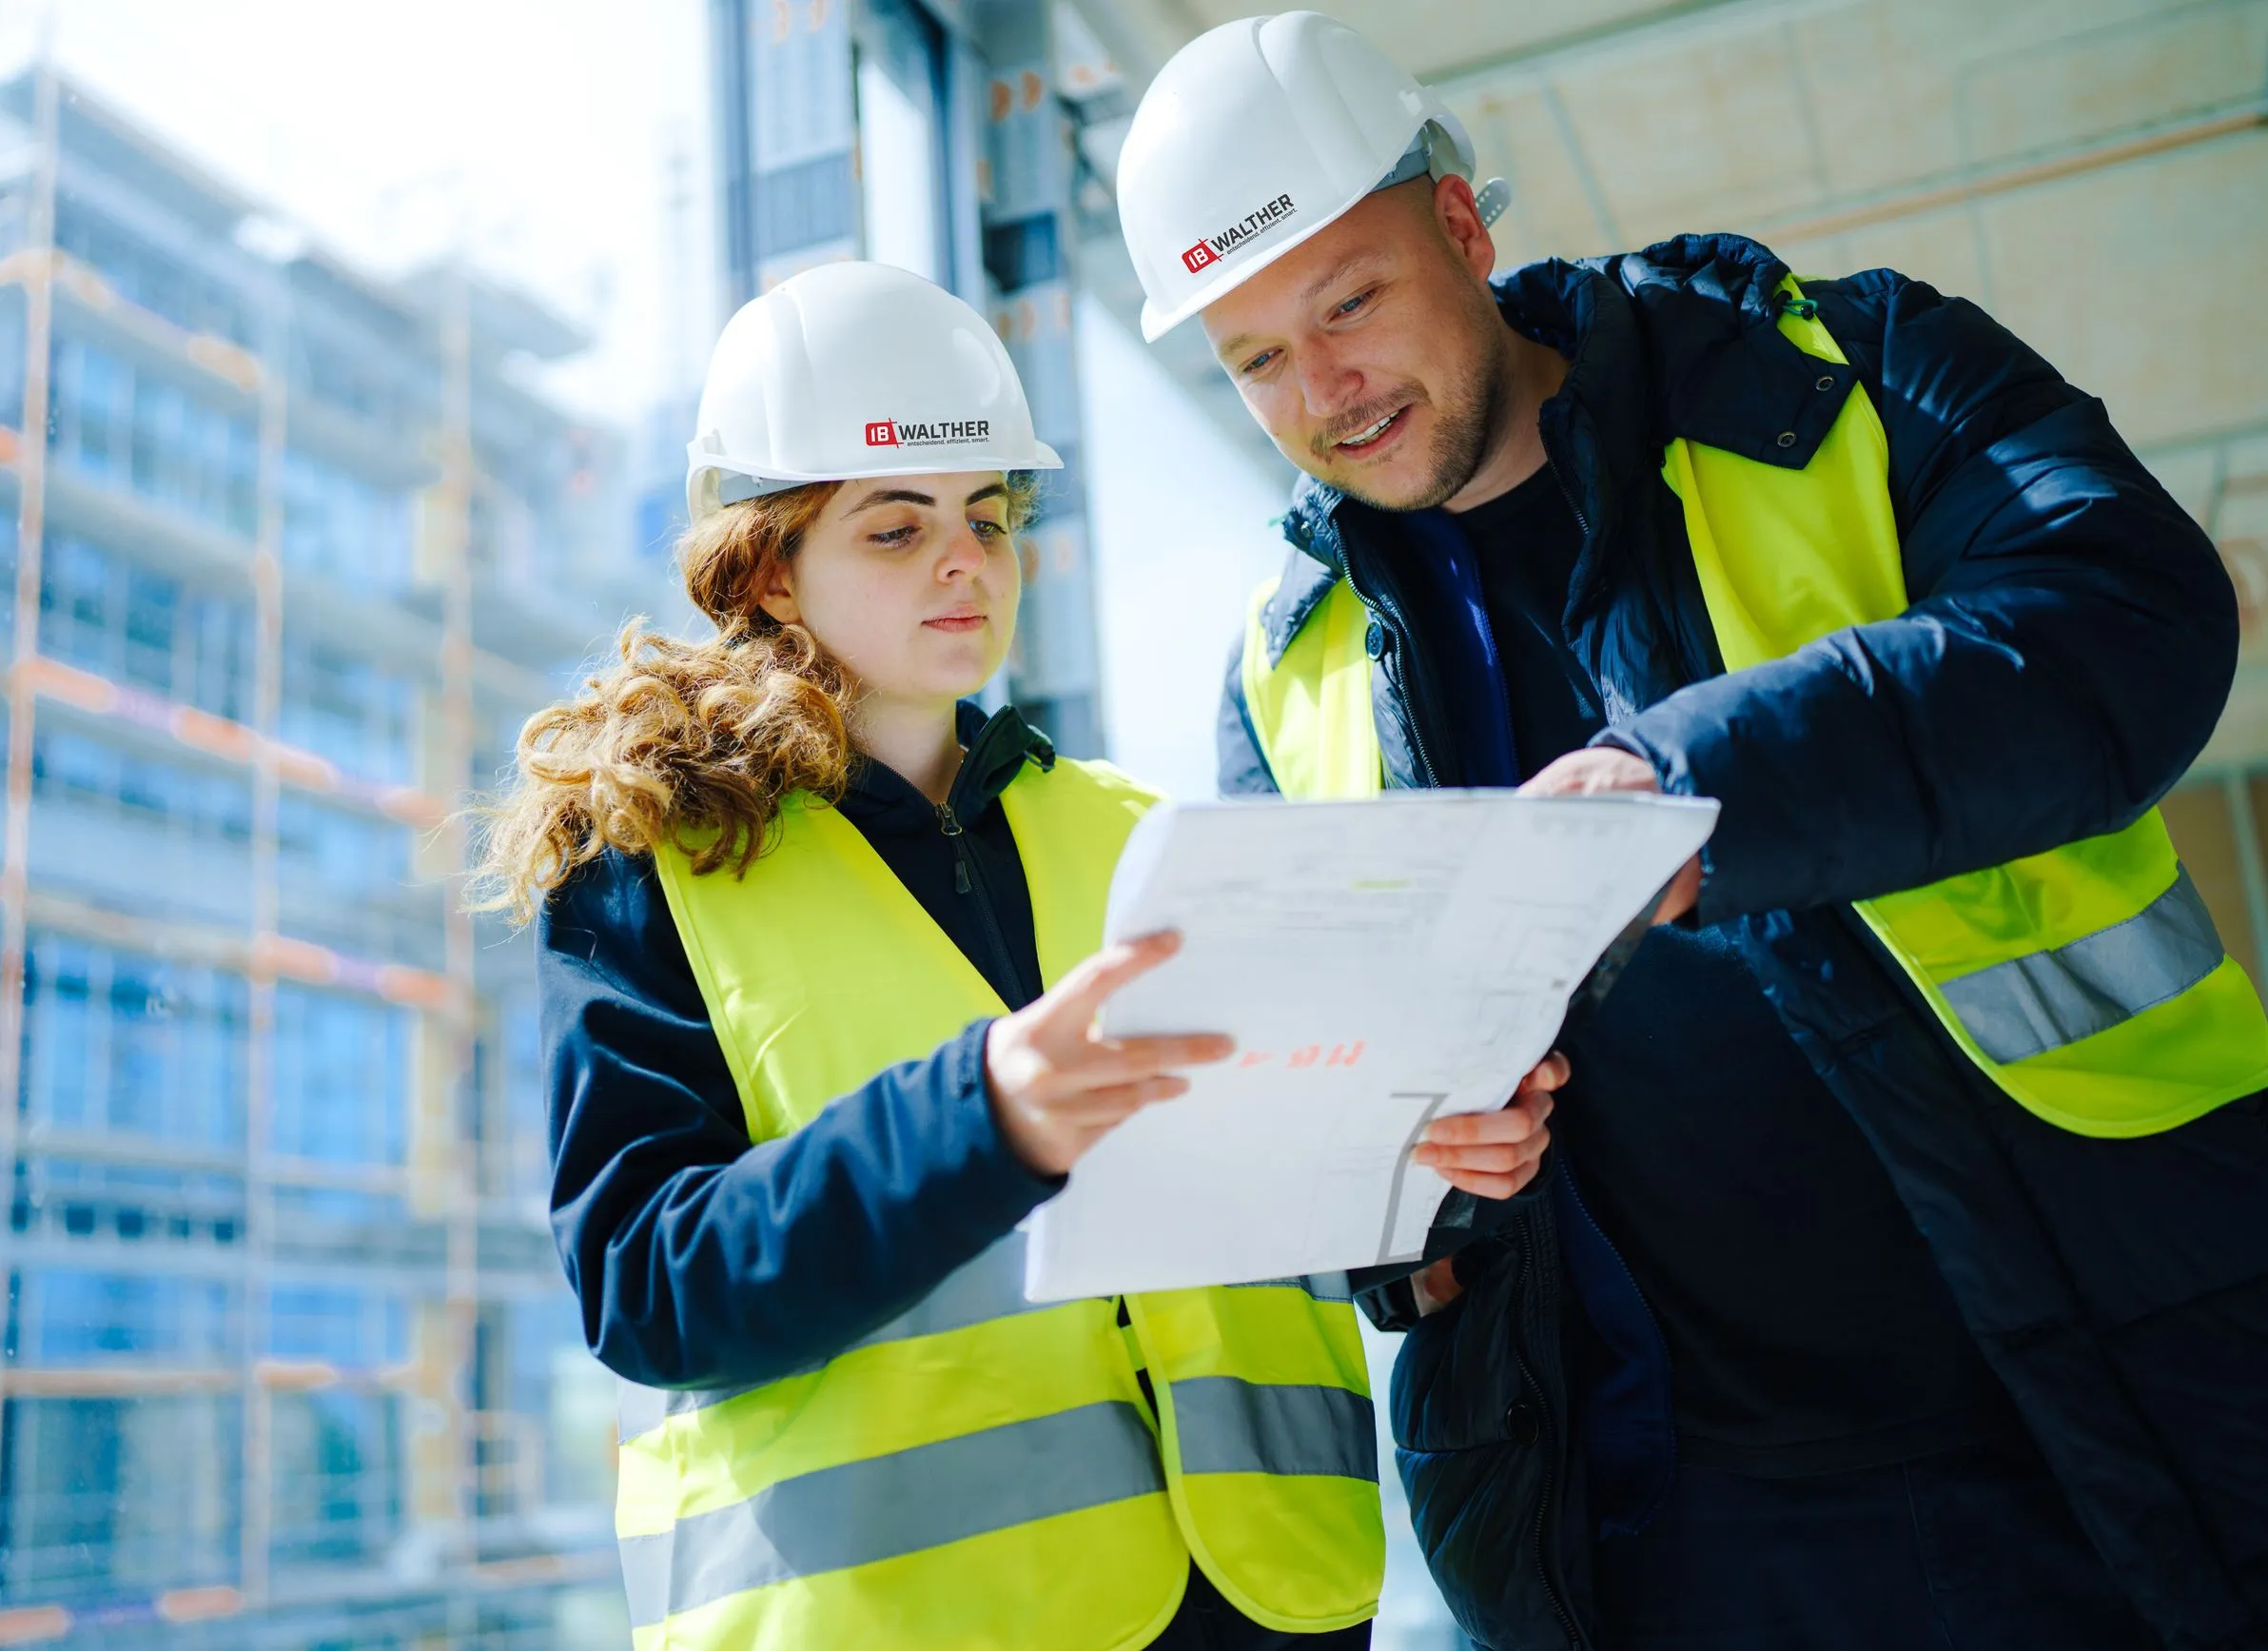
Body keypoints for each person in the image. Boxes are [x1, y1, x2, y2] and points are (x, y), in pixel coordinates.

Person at [1112, 12, 2268, 1651]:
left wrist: (1687, 789)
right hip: (1661, 1531)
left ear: (1462, 226)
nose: (1323, 391)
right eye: (1254, 358)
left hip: (2079, 1411)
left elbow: (2130, 617)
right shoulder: (1282, 672)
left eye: (1349, 301)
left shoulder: (1839, 376)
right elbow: (1333, 1149)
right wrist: (1413, 1182)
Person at [474, 261, 1562, 1650]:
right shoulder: (649, 870)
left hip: (1265, 1601)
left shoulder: (1138, 836)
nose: (964, 560)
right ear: (765, 569)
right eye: (896, 526)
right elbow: (646, 1284)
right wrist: (981, 1115)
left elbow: (1259, 1198)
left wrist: (1420, 1180)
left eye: (987, 516)